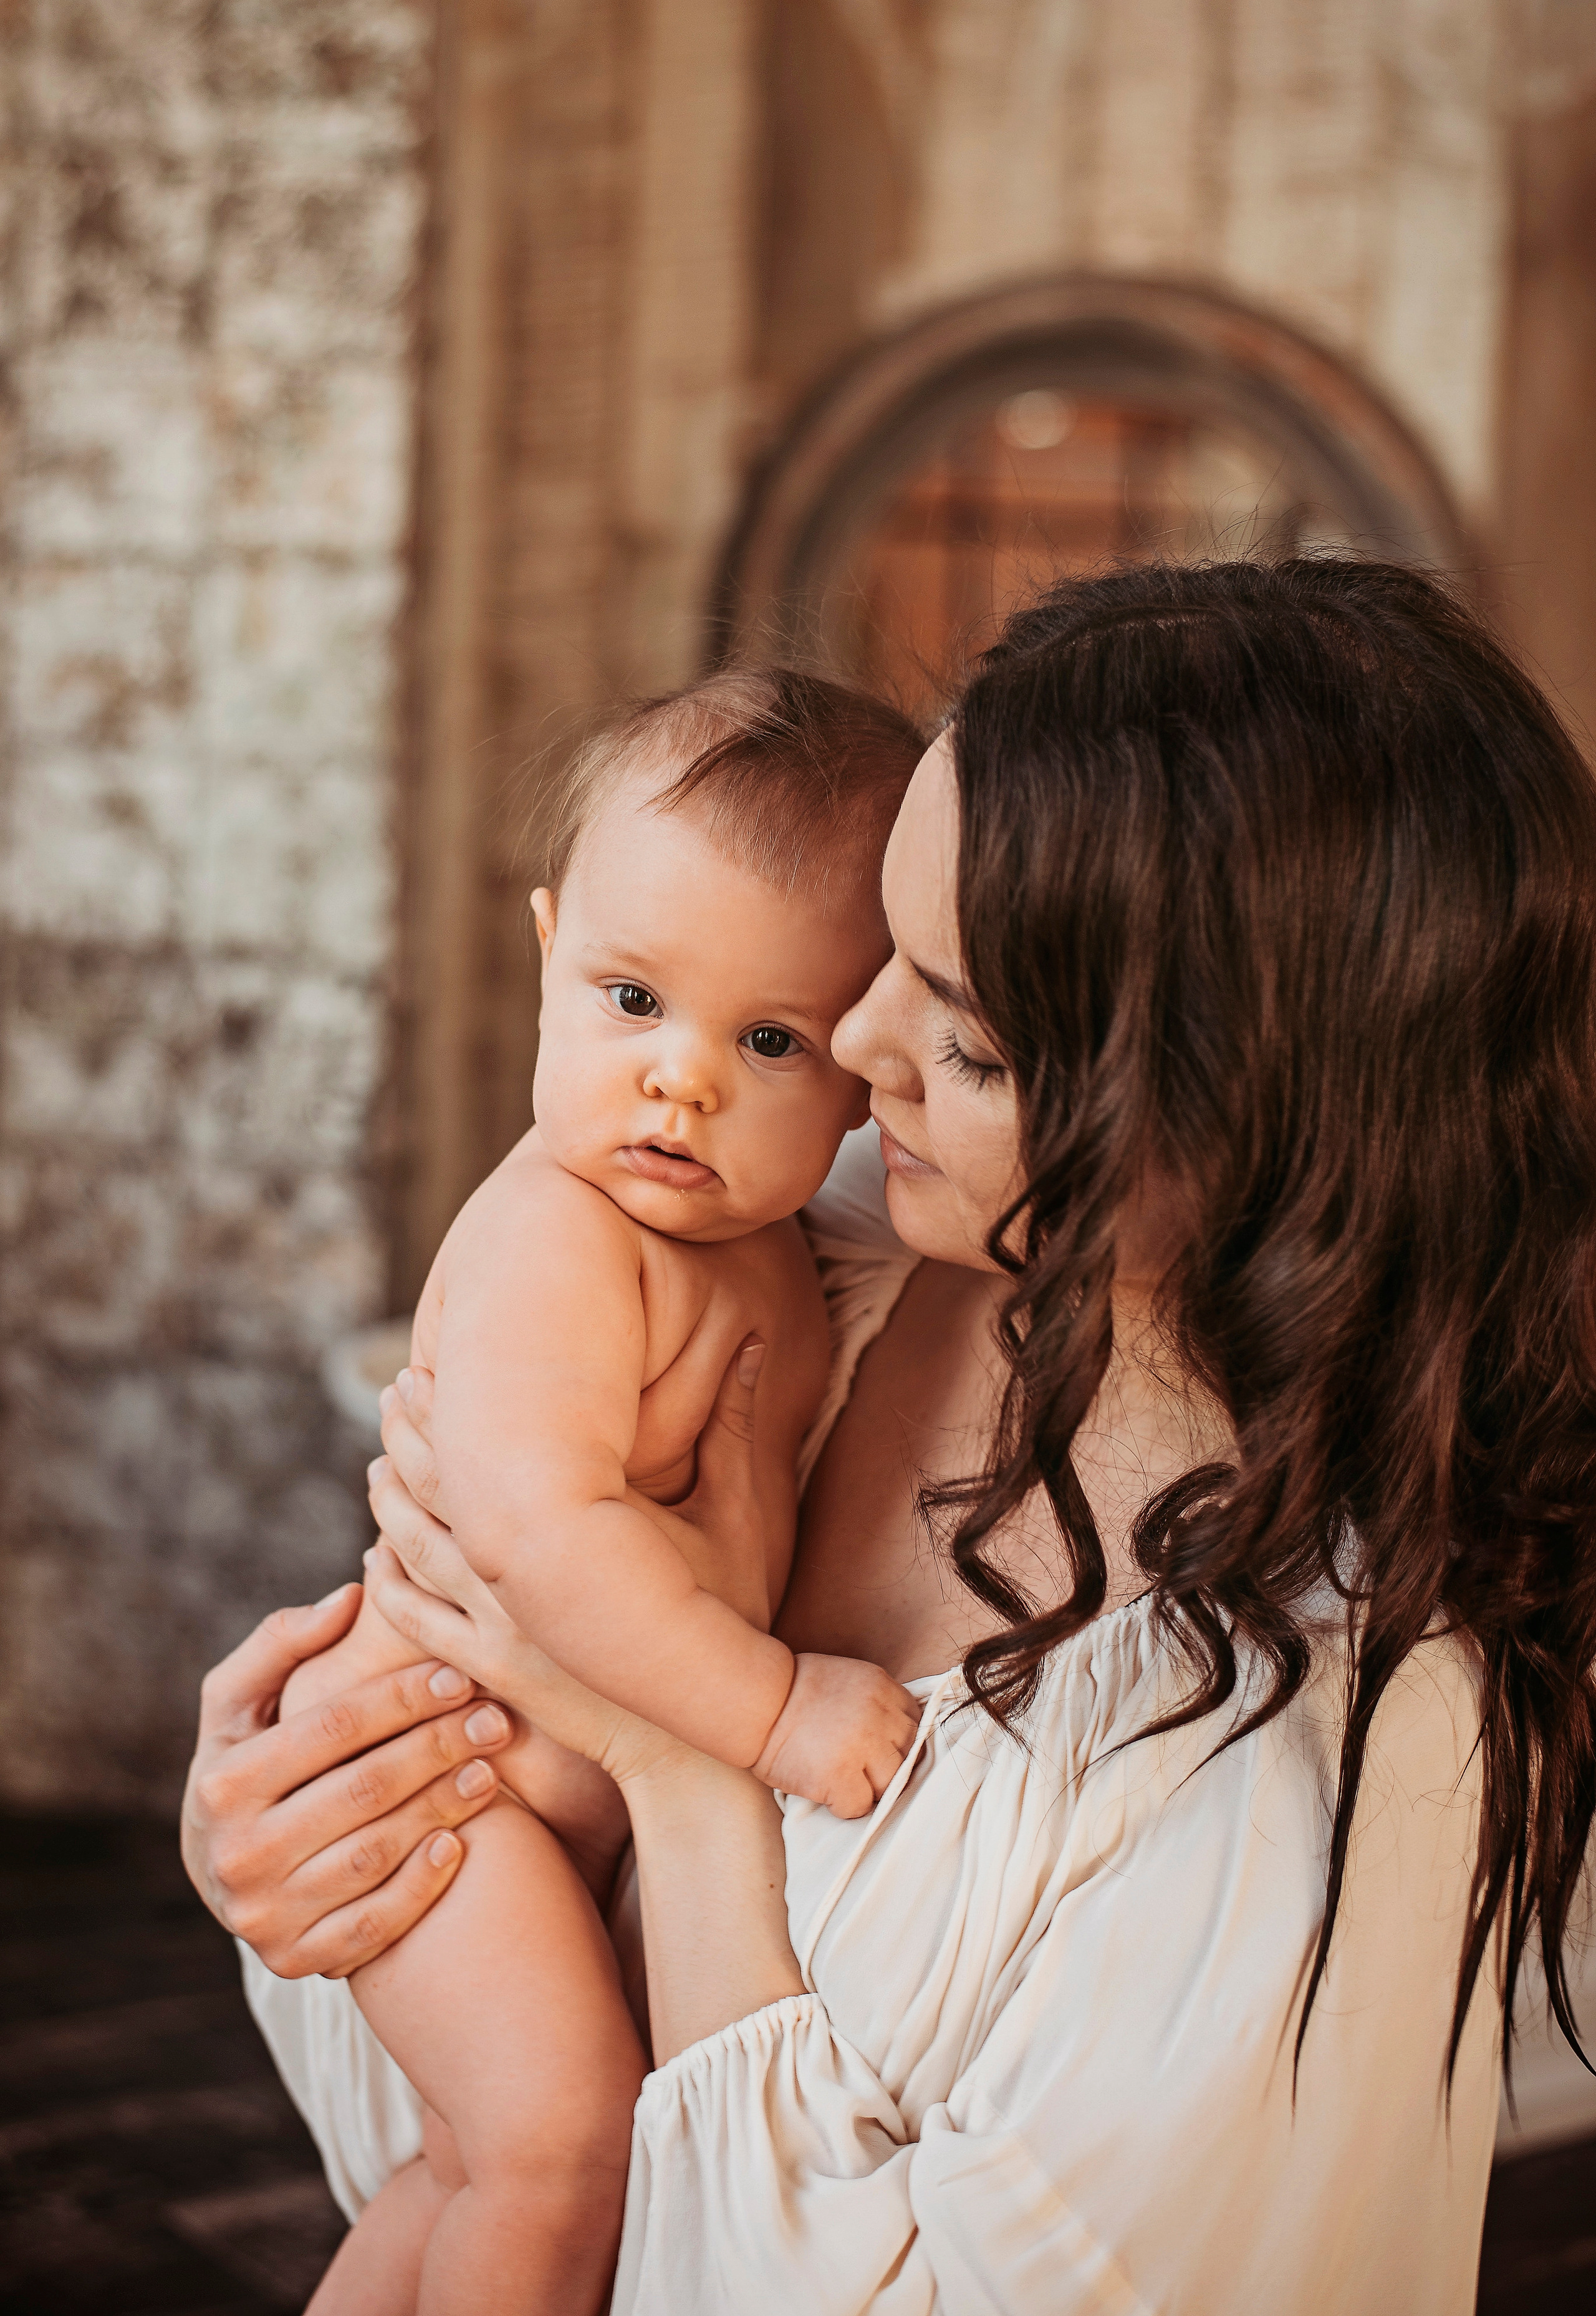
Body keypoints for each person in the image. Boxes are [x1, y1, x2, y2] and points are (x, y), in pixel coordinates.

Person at [184, 560, 1596, 2314]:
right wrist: (303, 1843)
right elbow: (456, 2140)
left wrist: (691, 1783)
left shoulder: (1312, 1745)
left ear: (1251, 1121)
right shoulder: (816, 1250)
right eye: (878, 962)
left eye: (968, 1031)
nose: (854, 1048)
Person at [277, 670, 927, 2314]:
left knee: (471, 2171)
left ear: (860, 1068)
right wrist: (773, 1711)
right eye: (633, 998)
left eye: (766, 1039)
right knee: (561, 2154)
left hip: (543, 1808)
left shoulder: (777, 1241)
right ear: (550, 942)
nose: (682, 1081)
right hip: (452, 1789)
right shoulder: (557, 1238)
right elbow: (534, 1533)